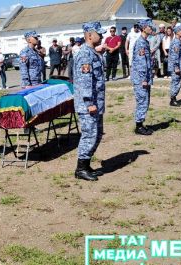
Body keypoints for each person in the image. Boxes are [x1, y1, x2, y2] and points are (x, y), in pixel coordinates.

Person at [73, 21, 107, 182]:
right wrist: (89, 103)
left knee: (97, 134)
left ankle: (85, 165)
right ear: (89, 35)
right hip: (88, 105)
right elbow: (84, 81)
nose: (102, 36)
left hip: (96, 102)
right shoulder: (85, 54)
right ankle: (80, 169)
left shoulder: (93, 52)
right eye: (99, 33)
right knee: (89, 135)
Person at [132, 19, 155, 135]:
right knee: (142, 101)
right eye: (150, 27)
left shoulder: (145, 41)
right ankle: (139, 126)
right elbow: (141, 63)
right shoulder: (141, 42)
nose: (151, 28)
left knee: (145, 101)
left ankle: (140, 124)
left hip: (144, 77)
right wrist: (144, 79)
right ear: (144, 27)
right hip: (141, 79)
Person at [168, 25, 181, 106]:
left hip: (178, 65)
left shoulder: (178, 41)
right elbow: (175, 55)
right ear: (178, 32)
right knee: (176, 82)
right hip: (176, 66)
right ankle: (172, 100)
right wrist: (176, 67)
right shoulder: (176, 42)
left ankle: (174, 98)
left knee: (177, 82)